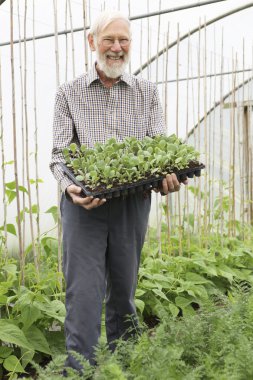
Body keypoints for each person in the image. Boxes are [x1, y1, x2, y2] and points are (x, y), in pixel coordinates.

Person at [50, 10, 185, 374]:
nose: (116, 47)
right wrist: (71, 189)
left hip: (131, 205)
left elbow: (159, 147)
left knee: (124, 293)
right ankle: (80, 371)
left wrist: (166, 173)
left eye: (123, 40)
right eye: (109, 39)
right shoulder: (68, 94)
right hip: (85, 207)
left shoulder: (146, 92)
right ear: (93, 42)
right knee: (84, 296)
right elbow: (60, 156)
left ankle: (125, 367)